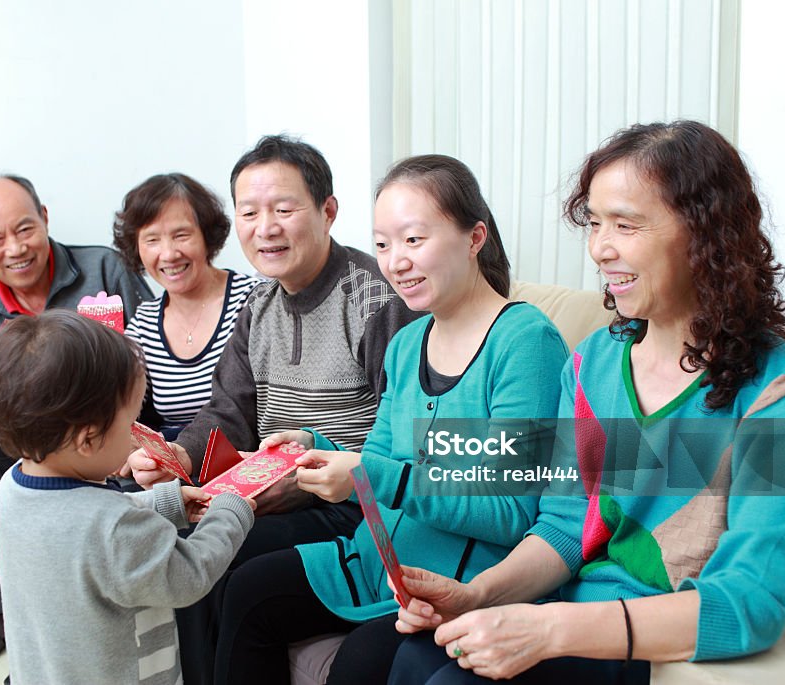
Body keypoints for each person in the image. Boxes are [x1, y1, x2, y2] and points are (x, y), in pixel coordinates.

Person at [388, 121, 785, 684]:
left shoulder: (784, 396)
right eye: (594, 223)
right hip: (574, 616)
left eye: (626, 224)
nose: (600, 247)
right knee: (413, 656)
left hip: (648, 642)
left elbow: (749, 601)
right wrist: (475, 596)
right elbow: (567, 529)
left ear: (707, 235)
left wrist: (548, 633)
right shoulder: (592, 363)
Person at [212, 155, 569, 685]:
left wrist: (370, 475)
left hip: (459, 582)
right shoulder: (406, 344)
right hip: (378, 560)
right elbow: (380, 459)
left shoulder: (524, 342)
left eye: (414, 240)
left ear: (475, 238)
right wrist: (316, 447)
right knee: (245, 589)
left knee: (364, 659)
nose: (395, 261)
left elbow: (513, 510)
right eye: (382, 244)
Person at [128, 135, 423, 685]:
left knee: (209, 551)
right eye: (250, 212)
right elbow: (227, 411)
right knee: (173, 531)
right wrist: (176, 453)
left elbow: (401, 437)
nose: (266, 227)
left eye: (284, 209)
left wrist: (310, 478)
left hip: (349, 499)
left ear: (328, 211)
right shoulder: (257, 304)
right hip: (268, 490)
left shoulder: (374, 301)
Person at [0, 175, 153, 677]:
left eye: (25, 228)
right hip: (35, 449)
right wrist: (1, 390)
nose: (15, 248)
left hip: (107, 433)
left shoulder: (104, 267)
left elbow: (151, 352)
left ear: (46, 218)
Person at [0, 310, 255, 685]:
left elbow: (80, 532)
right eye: (130, 424)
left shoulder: (12, 486)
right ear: (87, 439)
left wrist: (164, 504)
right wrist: (230, 509)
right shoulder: (113, 528)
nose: (134, 436)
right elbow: (188, 574)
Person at [113, 173, 261, 440]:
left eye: (181, 235)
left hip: (247, 458)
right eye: (152, 240)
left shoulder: (251, 300)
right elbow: (121, 411)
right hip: (174, 468)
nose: (169, 254)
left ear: (207, 236)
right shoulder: (144, 324)